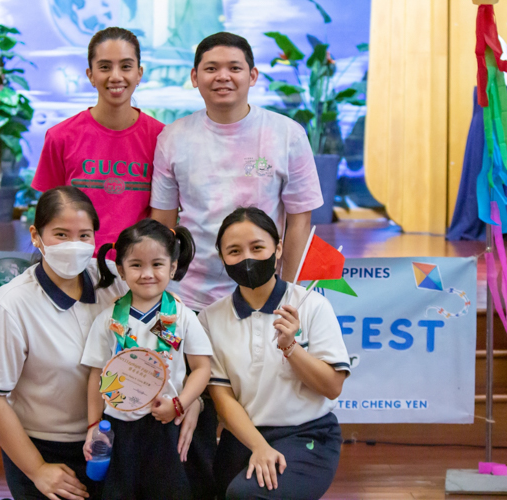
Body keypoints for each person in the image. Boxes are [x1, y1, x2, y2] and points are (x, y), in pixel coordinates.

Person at [150, 31, 324, 498]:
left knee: (250, 408)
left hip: (259, 297)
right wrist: (162, 297)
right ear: (194, 77)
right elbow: (164, 224)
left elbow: (300, 219)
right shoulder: (173, 138)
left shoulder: (286, 133)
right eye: (210, 68)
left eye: (233, 67)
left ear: (253, 75)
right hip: (191, 299)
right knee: (188, 421)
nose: (222, 76)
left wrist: (285, 290)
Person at [0, 186, 127, 500]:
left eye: (84, 235)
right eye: (61, 234)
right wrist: (38, 469)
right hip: (46, 449)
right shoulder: (12, 304)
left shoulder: (115, 281)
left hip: (115, 438)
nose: (74, 245)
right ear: (35, 235)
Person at [200, 207, 350, 500]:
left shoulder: (311, 306)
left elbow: (332, 387)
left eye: (257, 247)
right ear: (222, 257)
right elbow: (223, 399)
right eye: (234, 250)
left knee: (247, 496)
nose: (247, 258)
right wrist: (259, 446)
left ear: (278, 248)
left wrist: (291, 348)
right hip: (243, 437)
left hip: (307, 435)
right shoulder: (210, 318)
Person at [80, 219, 213, 500]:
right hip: (117, 428)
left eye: (157, 264)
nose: (147, 273)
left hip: (165, 424)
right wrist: (93, 427)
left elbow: (202, 369)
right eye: (136, 265)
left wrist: (179, 404)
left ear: (173, 268)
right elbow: (95, 376)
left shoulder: (181, 316)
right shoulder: (108, 320)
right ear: (121, 270)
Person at [32, 27, 165, 252]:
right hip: (75, 266)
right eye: (104, 67)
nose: (115, 76)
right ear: (91, 75)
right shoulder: (60, 137)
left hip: (137, 269)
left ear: (139, 74)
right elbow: (48, 215)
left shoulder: (162, 138)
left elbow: (164, 216)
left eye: (126, 66)